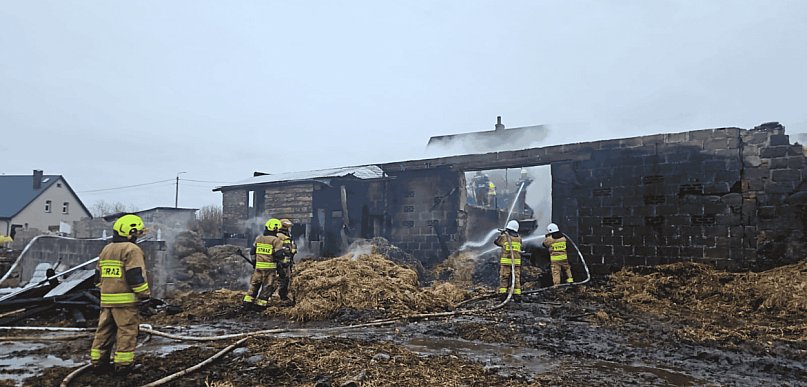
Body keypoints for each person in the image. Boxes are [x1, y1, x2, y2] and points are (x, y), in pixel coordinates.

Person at [90, 214, 150, 375]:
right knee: (127, 331)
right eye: (137, 233)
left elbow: (97, 278)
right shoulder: (132, 249)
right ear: (130, 233)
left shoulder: (107, 249)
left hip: (106, 301)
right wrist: (144, 295)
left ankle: (98, 362)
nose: (138, 236)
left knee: (104, 332)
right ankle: (124, 365)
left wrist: (107, 291)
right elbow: (135, 276)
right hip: (125, 303)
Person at [243, 218, 285, 310]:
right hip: (270, 269)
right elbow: (279, 256)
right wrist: (282, 265)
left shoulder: (259, 238)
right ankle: (260, 305)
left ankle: (247, 302)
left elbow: (252, 252)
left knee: (254, 285)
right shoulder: (276, 241)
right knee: (267, 287)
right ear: (276, 229)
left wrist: (254, 262)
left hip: (258, 268)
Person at [494, 220, 523, 303]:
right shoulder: (519, 238)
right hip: (516, 263)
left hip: (506, 262)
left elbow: (496, 242)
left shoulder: (504, 237)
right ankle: (517, 297)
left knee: (504, 278)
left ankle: (503, 295)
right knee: (516, 279)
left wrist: (502, 234)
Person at [276, 218, 298, 305]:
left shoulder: (286, 236)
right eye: (289, 227)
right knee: (283, 279)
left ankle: (282, 295)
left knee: (285, 279)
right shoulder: (280, 236)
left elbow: (291, 247)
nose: (290, 229)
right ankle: (282, 296)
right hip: (282, 262)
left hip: (286, 262)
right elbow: (284, 250)